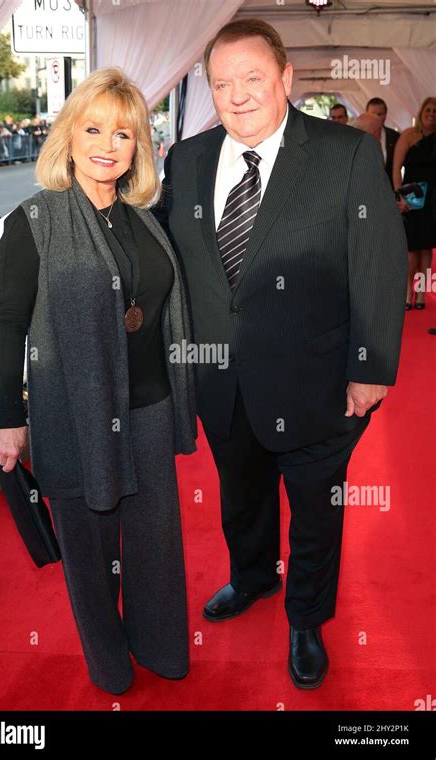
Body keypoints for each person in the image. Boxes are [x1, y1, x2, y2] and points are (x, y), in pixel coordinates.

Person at [154, 18, 407, 689]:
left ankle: (307, 618)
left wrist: (370, 367)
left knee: (317, 510)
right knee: (242, 499)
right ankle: (253, 578)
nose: (236, 96)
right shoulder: (186, 159)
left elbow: (380, 263)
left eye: (253, 79)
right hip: (221, 383)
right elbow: (161, 258)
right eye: (221, 83)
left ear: (286, 79)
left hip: (317, 384)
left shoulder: (343, 154)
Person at [0, 67, 197, 695]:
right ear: (69, 136)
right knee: (90, 546)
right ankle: (108, 663)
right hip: (75, 413)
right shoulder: (35, 223)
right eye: (94, 128)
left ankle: (159, 647)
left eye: (125, 134)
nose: (109, 144)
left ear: (141, 146)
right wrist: (9, 418)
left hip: (152, 408)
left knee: (156, 542)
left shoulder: (148, 219)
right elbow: (9, 326)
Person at [393, 97, 436, 310]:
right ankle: (407, 292)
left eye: (435, 111)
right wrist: (399, 197)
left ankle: (421, 294)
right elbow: (396, 168)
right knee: (411, 252)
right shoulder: (409, 135)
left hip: (432, 201)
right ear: (421, 112)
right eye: (427, 109)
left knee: (427, 250)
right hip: (410, 198)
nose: (431, 113)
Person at [365, 97, 400, 188]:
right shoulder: (360, 136)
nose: (376, 117)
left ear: (386, 115)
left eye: (380, 114)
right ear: (366, 114)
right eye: (373, 114)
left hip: (389, 190)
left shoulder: (395, 137)